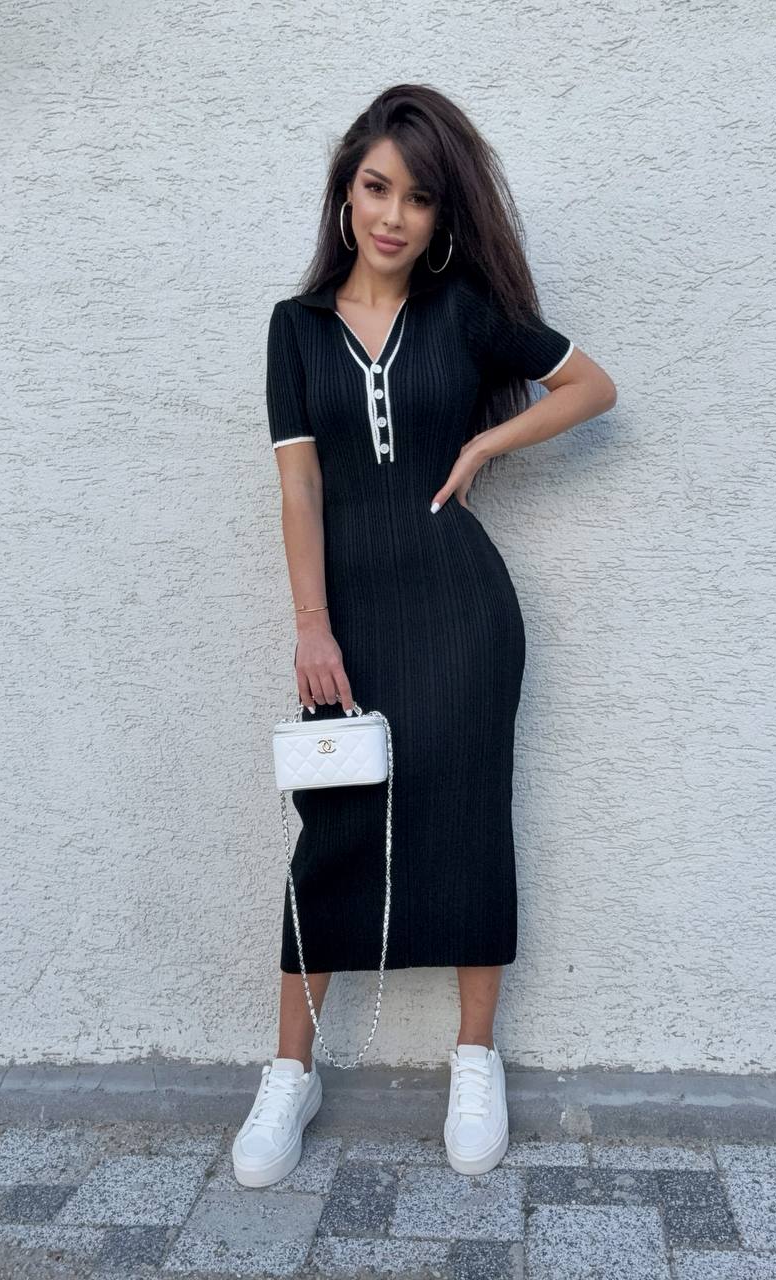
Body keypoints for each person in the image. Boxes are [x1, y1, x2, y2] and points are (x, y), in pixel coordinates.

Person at [233, 84, 616, 1189]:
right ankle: (290, 1073)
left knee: (467, 817)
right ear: (345, 192)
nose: (392, 215)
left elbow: (590, 386)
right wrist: (311, 626)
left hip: (463, 608)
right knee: (332, 830)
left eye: (417, 197)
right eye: (375, 187)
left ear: (441, 214)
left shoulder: (462, 313)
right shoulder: (295, 329)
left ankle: (473, 1059)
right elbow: (300, 488)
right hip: (347, 616)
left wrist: (488, 443)